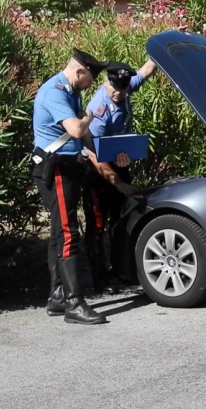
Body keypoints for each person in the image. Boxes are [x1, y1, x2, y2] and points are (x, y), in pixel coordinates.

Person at [30, 48, 133, 325]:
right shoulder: (55, 92)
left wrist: (102, 157)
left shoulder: (71, 91)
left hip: (68, 167)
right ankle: (74, 304)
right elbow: (77, 129)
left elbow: (84, 135)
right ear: (79, 72)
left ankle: (58, 296)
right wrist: (86, 116)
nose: (92, 83)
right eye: (91, 76)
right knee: (67, 233)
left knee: (57, 233)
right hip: (57, 169)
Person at [81, 58, 161, 293]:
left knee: (121, 221)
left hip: (118, 162)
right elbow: (95, 155)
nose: (118, 92)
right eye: (114, 86)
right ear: (106, 81)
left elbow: (146, 70)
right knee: (97, 226)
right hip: (97, 170)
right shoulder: (99, 110)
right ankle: (100, 280)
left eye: (123, 87)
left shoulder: (125, 89)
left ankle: (122, 272)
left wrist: (166, 42)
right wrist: (119, 183)